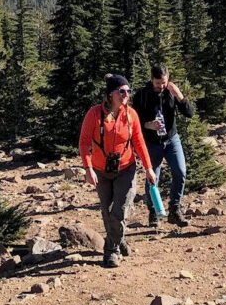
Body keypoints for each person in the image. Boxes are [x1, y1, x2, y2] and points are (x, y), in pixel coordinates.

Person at [79, 74, 157, 267]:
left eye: (128, 91)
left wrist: (148, 168)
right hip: (100, 169)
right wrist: (88, 169)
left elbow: (139, 142)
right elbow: (84, 143)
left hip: (126, 167)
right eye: (121, 91)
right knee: (106, 211)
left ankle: (111, 250)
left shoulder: (131, 115)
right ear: (110, 94)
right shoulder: (94, 114)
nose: (126, 95)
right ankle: (119, 239)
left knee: (120, 209)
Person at [131, 64, 195, 228]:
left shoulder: (171, 91)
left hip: (171, 139)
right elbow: (132, 120)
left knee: (180, 171)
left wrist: (179, 95)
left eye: (164, 82)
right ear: (152, 79)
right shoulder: (142, 95)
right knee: (153, 177)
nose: (161, 86)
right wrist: (147, 125)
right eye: (158, 83)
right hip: (152, 143)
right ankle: (153, 212)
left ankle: (175, 209)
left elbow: (189, 113)